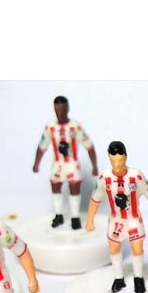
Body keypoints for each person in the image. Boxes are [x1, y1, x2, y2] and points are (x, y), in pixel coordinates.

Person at [86, 141, 148, 293]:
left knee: (137, 248)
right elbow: (95, 199)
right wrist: (90, 220)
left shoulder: (136, 176)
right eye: (113, 161)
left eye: (120, 160)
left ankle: (138, 278)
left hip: (133, 219)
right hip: (116, 220)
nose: (117, 165)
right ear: (109, 158)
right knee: (114, 248)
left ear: (126, 158)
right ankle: (118, 278)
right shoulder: (105, 178)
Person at [33, 95, 98, 229]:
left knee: (74, 187)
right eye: (57, 110)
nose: (60, 113)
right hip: (58, 164)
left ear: (67, 109)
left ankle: (75, 217)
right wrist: (36, 164)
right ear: (54, 109)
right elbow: (42, 146)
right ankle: (59, 215)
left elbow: (89, 146)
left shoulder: (75, 126)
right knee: (55, 185)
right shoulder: (50, 127)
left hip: (72, 164)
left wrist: (94, 166)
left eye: (63, 110)